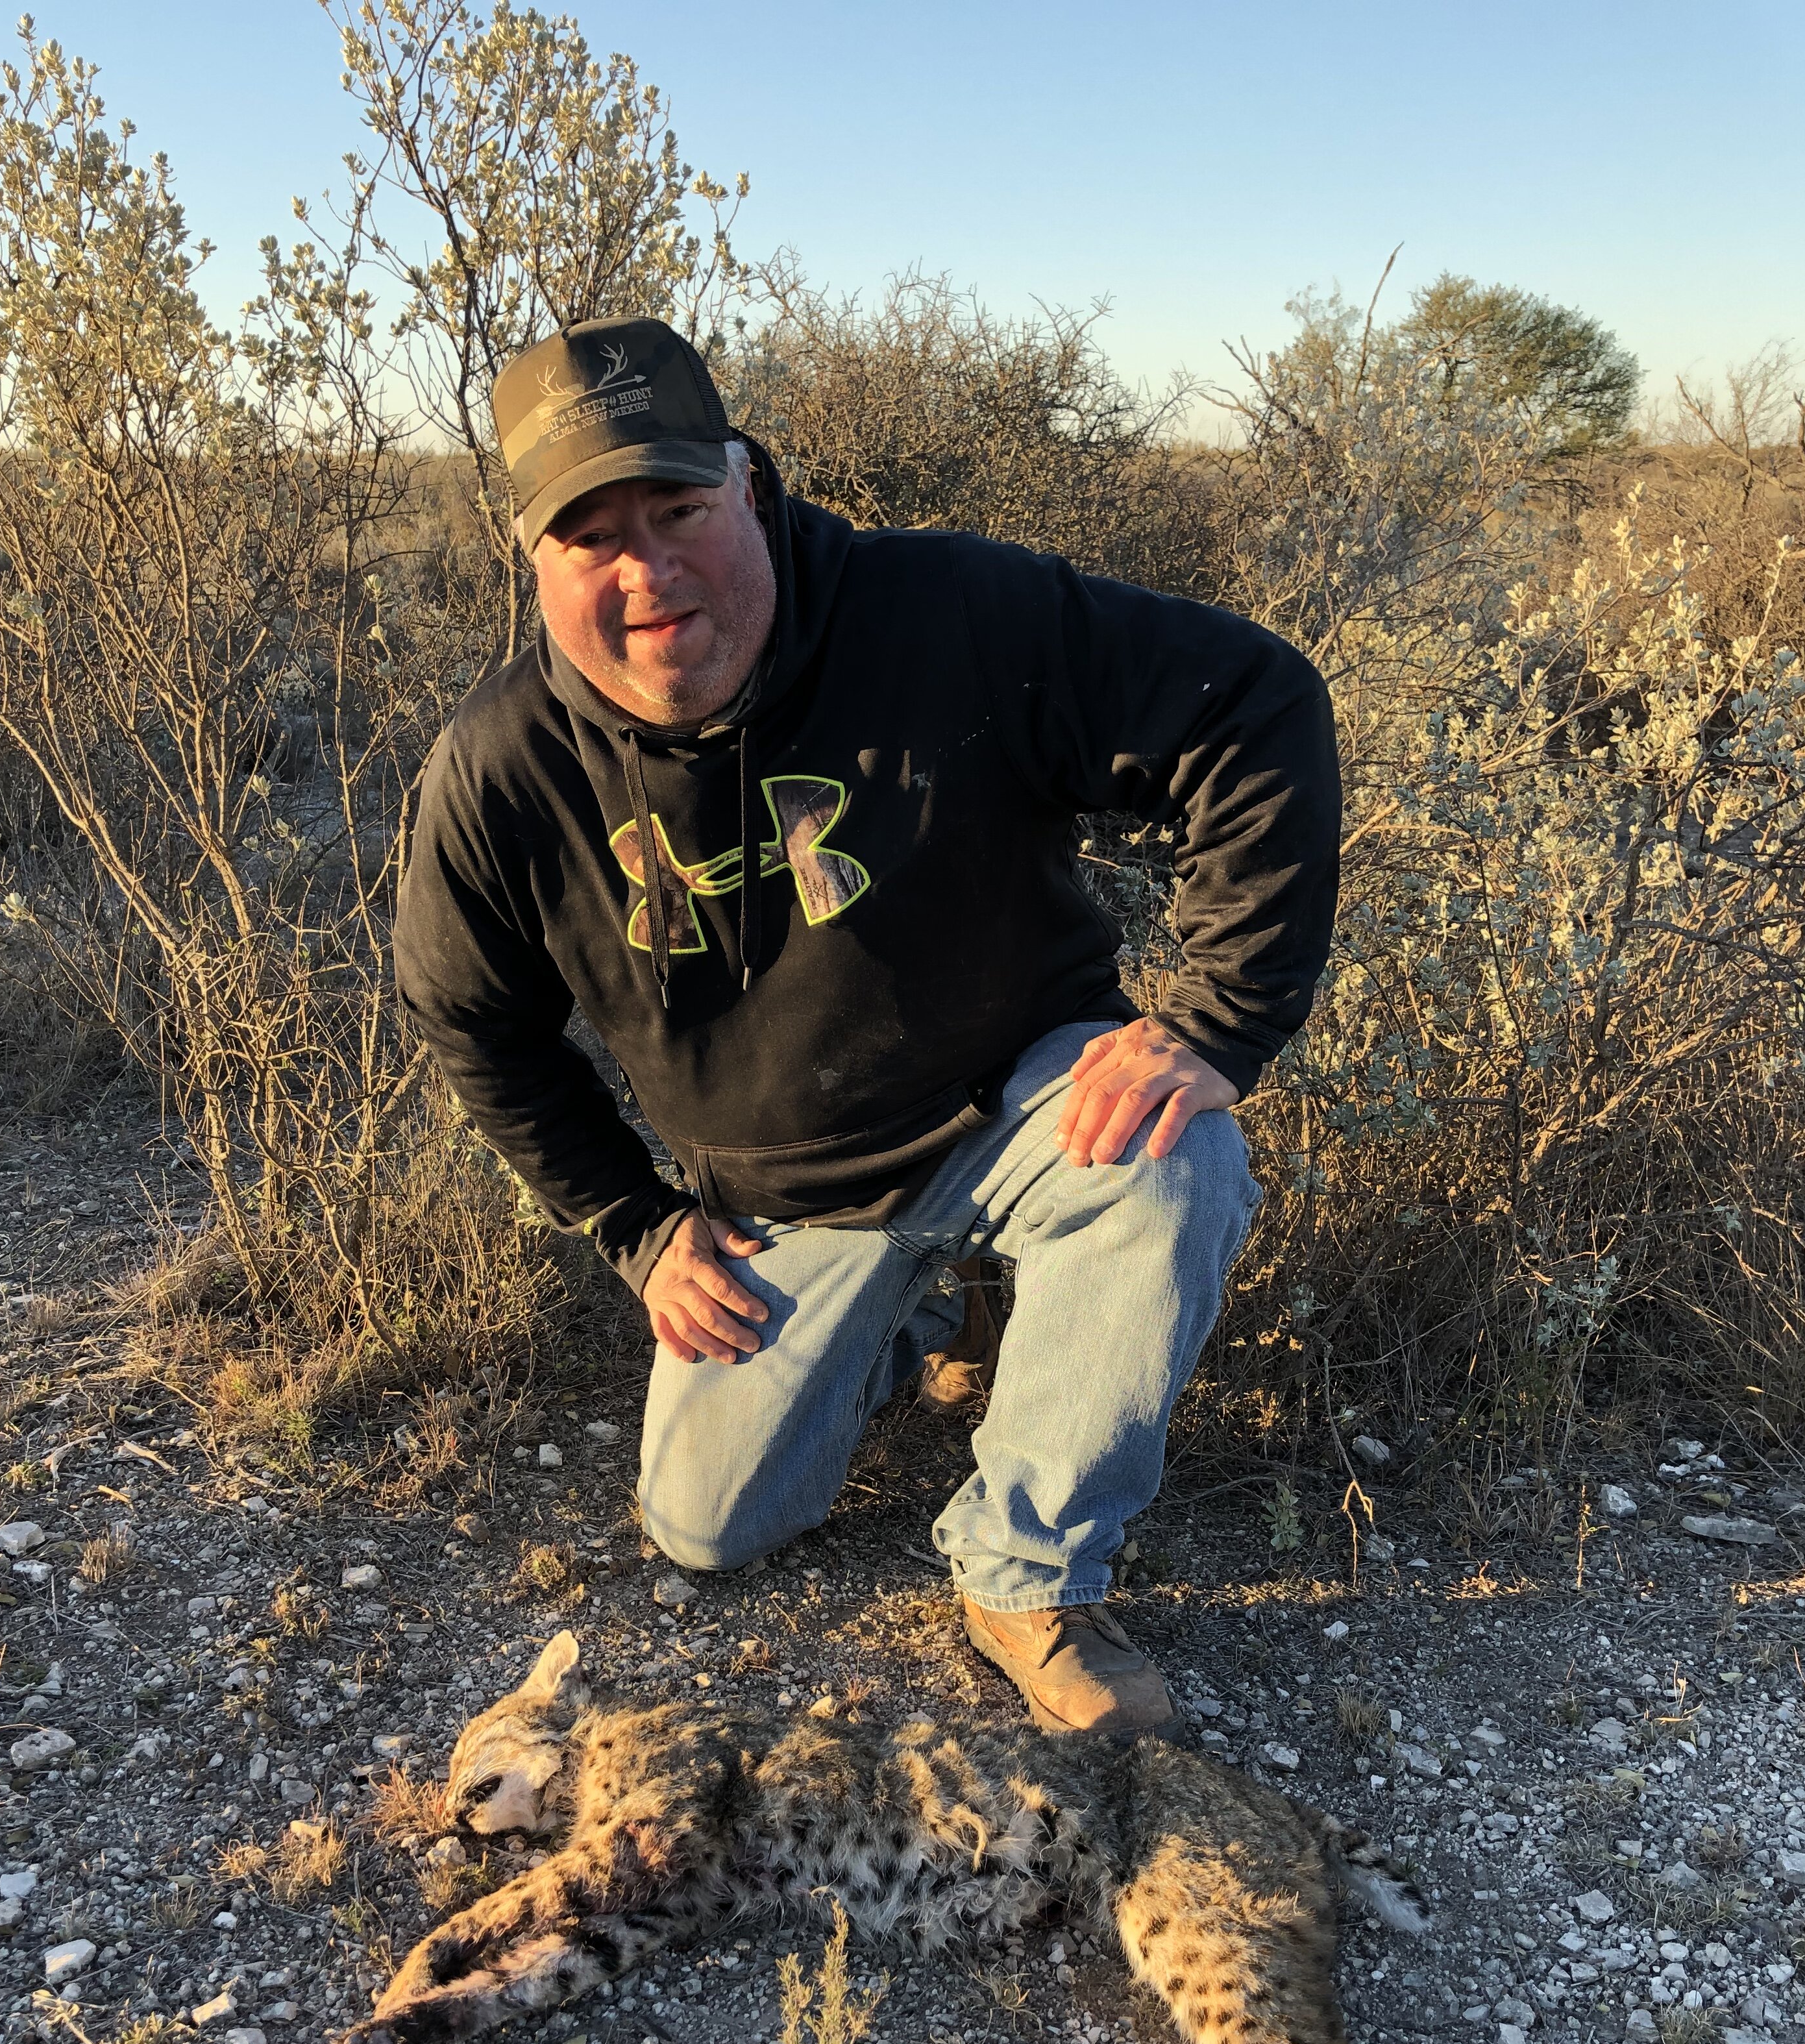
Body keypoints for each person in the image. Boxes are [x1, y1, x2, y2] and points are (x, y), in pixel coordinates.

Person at [395, 315, 1340, 1736]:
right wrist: (635, 1228)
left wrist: (1217, 1018)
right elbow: (473, 1024)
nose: (648, 573)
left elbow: (1255, 706)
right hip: (786, 1195)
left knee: (1167, 1163)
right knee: (709, 1527)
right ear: (532, 561)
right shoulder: (499, 770)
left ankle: (1029, 1577)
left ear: (752, 486)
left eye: (680, 507)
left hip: (1021, 1103)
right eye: (592, 535)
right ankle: (927, 1312)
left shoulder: (946, 610)